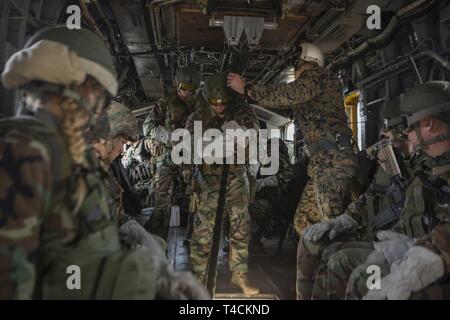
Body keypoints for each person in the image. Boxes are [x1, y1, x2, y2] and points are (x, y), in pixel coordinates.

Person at [0, 26, 156, 299]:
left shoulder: (70, 156)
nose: (98, 114)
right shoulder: (22, 153)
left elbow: (87, 231)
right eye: (99, 98)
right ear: (78, 90)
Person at [227, 42, 357, 298]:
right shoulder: (313, 88)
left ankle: (342, 286)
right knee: (304, 223)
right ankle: (315, 286)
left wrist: (247, 89)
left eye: (297, 63)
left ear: (308, 61)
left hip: (333, 162)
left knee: (334, 228)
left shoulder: (317, 77)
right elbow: (287, 100)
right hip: (321, 162)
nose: (296, 68)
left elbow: (289, 95)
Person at [297, 99, 414, 299]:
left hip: (404, 246)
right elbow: (370, 196)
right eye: (387, 130)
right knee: (311, 239)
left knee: (341, 260)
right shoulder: (392, 164)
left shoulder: (427, 168)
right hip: (372, 233)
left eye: (393, 131)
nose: (386, 136)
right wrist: (346, 218)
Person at [345, 81, 450, 300]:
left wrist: (425, 251)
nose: (406, 134)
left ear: (428, 123)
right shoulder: (428, 167)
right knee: (360, 274)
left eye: (410, 127)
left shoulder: (427, 167)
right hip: (423, 250)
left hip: (436, 262)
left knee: (366, 278)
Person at [185, 72, 260, 295]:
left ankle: (239, 275)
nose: (219, 107)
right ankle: (198, 279)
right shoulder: (196, 118)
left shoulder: (241, 111)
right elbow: (190, 146)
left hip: (236, 179)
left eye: (223, 103)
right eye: (214, 103)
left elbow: (254, 130)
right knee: (203, 233)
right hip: (209, 182)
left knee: (240, 229)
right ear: (207, 99)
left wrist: (242, 134)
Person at [142, 64, 202, 241]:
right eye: (183, 88)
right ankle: (157, 241)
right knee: (161, 200)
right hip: (168, 158)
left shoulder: (201, 106)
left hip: (191, 158)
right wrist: (166, 136)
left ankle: (194, 237)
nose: (186, 93)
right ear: (177, 85)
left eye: (191, 89)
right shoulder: (165, 103)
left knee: (196, 198)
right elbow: (147, 126)